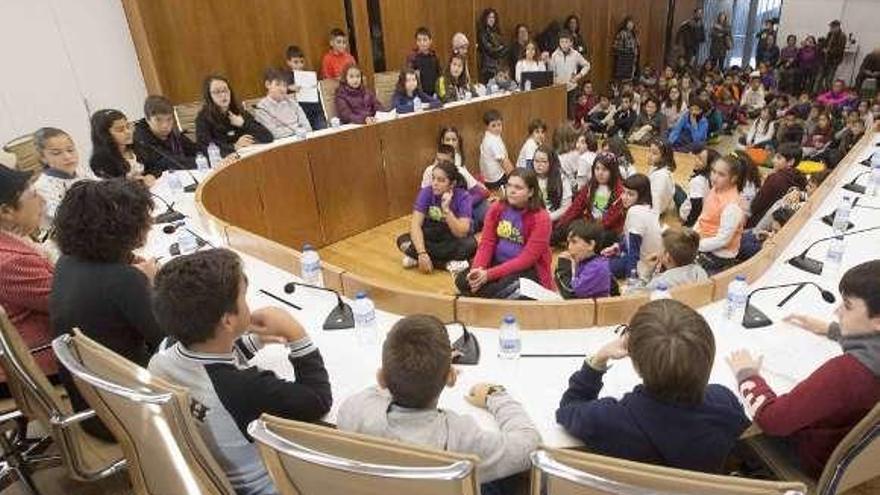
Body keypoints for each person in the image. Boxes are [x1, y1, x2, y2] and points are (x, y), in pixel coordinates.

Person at [149, 248, 332, 495]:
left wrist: (252, 340)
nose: (248, 303)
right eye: (244, 297)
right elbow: (318, 400)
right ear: (227, 321)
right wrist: (296, 335)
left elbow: (210, 365)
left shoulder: (162, 356)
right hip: (270, 486)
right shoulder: (244, 389)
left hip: (209, 477)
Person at [337, 314, 540, 491]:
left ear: (381, 378)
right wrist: (496, 395)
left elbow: (378, 389)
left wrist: (424, 368)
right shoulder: (461, 436)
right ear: (452, 378)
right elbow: (531, 444)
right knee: (505, 477)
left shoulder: (355, 409)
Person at [728, 260, 880, 476]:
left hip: (813, 460)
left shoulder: (847, 373)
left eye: (847, 306)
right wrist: (834, 330)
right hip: (853, 457)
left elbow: (773, 420)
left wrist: (747, 375)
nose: (837, 311)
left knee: (730, 417)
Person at [558, 299, 748, 471]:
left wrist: (599, 359)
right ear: (708, 356)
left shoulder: (608, 418)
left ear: (636, 364)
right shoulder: (724, 401)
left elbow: (568, 409)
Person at [51, 178, 162, 440]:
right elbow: (168, 341)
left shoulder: (65, 263)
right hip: (127, 413)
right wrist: (151, 283)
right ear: (123, 227)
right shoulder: (124, 280)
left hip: (92, 405)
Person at [0, 162, 58, 396]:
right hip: (37, 364)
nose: (42, 200)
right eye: (33, 193)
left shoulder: (11, 244)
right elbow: (68, 302)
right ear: (5, 211)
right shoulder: (10, 262)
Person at [455, 169, 553, 299]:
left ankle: (478, 297)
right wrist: (477, 272)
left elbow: (526, 260)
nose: (511, 191)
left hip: (526, 269)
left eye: (518, 187)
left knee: (501, 290)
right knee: (462, 280)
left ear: (530, 192)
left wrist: (488, 275)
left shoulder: (541, 218)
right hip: (497, 263)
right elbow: (486, 243)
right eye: (509, 185)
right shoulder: (497, 208)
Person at [398, 160, 476, 274]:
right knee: (402, 241)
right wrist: (421, 253)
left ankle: (418, 258)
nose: (434, 183)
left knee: (470, 245)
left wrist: (446, 210)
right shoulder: (426, 192)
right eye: (433, 178)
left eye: (441, 180)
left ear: (452, 184)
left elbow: (461, 232)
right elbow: (415, 224)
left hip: (451, 237)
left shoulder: (463, 197)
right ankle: (445, 264)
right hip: (432, 234)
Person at [554, 152, 625, 245]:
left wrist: (588, 231)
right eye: (597, 168)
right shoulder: (590, 187)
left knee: (603, 237)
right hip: (589, 224)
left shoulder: (620, 192)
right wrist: (562, 223)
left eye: (605, 169)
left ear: (613, 171)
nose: (600, 173)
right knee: (568, 227)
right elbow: (575, 207)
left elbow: (609, 220)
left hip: (607, 230)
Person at [196, 76, 273, 157]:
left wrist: (243, 123)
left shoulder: (238, 111)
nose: (223, 95)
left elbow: (268, 137)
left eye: (225, 90)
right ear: (209, 96)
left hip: (248, 156)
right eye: (217, 92)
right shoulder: (203, 118)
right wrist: (234, 147)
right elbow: (204, 147)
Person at [694, 154, 745, 274]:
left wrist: (695, 245)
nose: (714, 177)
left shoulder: (732, 206)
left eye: (721, 175)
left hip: (719, 254)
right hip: (703, 242)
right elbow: (703, 217)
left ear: (733, 178)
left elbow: (723, 240)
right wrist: (693, 234)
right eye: (713, 171)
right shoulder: (715, 189)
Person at [606, 174, 663, 281]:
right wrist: (619, 247)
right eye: (623, 192)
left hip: (642, 265)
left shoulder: (635, 212)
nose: (624, 197)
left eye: (630, 194)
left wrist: (631, 282)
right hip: (648, 260)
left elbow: (634, 252)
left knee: (597, 267)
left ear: (641, 196)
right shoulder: (649, 207)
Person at [132, 95, 201, 179]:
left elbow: (196, 149)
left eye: (169, 119)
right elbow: (168, 163)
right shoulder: (141, 140)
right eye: (158, 120)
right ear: (147, 119)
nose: (165, 125)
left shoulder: (173, 134)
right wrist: (201, 161)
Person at [434, 129, 490, 230]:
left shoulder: (460, 168)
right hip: (448, 208)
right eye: (447, 140)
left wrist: (471, 196)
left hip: (463, 199)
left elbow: (477, 189)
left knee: (486, 211)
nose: (451, 143)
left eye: (453, 139)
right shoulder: (430, 171)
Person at [747, 143, 806, 228]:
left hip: (762, 222)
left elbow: (755, 206)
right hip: (780, 223)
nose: (773, 160)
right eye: (775, 157)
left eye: (779, 158)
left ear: (791, 162)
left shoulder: (775, 179)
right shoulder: (799, 178)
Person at [32, 128, 82, 228]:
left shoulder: (81, 171)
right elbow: (67, 219)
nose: (67, 156)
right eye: (56, 153)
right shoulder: (42, 187)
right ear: (43, 158)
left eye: (70, 150)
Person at [89, 109, 154, 185]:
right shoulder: (100, 161)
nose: (128, 132)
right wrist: (132, 183)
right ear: (105, 135)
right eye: (120, 130)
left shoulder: (137, 146)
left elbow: (154, 166)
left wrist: (151, 176)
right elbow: (111, 188)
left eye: (128, 126)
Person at [554, 220, 615, 299]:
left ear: (591, 245)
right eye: (568, 243)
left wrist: (563, 267)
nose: (569, 247)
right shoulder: (587, 262)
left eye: (574, 242)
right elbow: (614, 286)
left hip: (591, 310)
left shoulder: (597, 267)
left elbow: (570, 292)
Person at [253, 68, 312, 139]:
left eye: (284, 85)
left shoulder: (292, 102)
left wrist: (286, 129)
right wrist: (297, 128)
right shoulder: (262, 108)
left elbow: (308, 127)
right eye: (278, 84)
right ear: (268, 84)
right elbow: (274, 134)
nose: (282, 89)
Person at [643, 228, 708, 290]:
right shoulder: (700, 272)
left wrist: (647, 272)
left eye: (660, 247)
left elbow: (637, 296)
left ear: (667, 256)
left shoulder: (659, 283)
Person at [284, 45, 327, 130]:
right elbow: (280, 94)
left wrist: (315, 88)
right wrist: (289, 88)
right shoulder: (286, 78)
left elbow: (318, 97)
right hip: (299, 114)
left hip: (315, 111)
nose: (299, 65)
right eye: (295, 62)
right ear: (288, 62)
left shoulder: (309, 75)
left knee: (323, 128)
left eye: (301, 62)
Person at [548, 30, 591, 114]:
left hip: (572, 88)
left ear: (571, 42)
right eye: (562, 42)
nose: (564, 44)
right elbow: (551, 72)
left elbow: (587, 65)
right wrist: (555, 80)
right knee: (559, 112)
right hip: (558, 88)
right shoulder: (554, 55)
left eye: (566, 42)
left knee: (571, 112)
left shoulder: (575, 54)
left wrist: (579, 75)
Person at [680, 145, 719, 228]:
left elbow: (696, 207)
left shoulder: (698, 181)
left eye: (700, 159)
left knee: (676, 190)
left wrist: (687, 224)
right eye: (697, 157)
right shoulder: (713, 179)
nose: (696, 160)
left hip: (688, 216)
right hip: (704, 214)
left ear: (708, 165)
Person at [532, 145, 572, 223]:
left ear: (551, 162)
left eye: (543, 161)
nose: (539, 165)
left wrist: (548, 218)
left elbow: (567, 206)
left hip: (556, 221)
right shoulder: (530, 178)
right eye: (536, 161)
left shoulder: (561, 178)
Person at [479, 109, 513, 190]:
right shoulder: (493, 141)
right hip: (496, 180)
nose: (497, 128)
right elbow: (504, 163)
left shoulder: (490, 135)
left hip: (488, 178)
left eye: (499, 124)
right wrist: (515, 177)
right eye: (493, 125)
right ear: (487, 127)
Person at [406, 27, 442, 98]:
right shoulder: (413, 58)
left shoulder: (435, 57)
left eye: (425, 40)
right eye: (419, 40)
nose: (422, 43)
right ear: (416, 42)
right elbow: (409, 78)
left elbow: (440, 76)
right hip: (419, 95)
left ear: (430, 41)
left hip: (435, 94)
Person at [476, 8, 508, 84]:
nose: (492, 19)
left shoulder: (497, 32)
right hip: (488, 68)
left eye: (493, 17)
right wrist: (500, 48)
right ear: (485, 18)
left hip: (499, 67)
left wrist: (500, 49)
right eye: (489, 17)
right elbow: (490, 50)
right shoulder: (482, 33)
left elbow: (505, 48)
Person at [646, 138, 676, 216]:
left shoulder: (661, 176)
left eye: (654, 153)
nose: (649, 155)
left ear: (664, 157)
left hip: (655, 211)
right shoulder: (656, 167)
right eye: (649, 150)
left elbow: (656, 202)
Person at [818, 20, 847, 92]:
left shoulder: (842, 36)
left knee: (829, 79)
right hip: (825, 59)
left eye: (832, 27)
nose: (831, 29)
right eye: (831, 27)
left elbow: (839, 50)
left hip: (834, 61)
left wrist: (828, 51)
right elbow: (826, 43)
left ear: (837, 27)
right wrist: (822, 45)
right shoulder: (830, 34)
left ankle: (829, 94)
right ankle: (816, 94)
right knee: (819, 78)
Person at [612, 17, 639, 82]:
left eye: (632, 24)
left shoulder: (634, 34)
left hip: (632, 60)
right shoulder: (622, 33)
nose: (631, 25)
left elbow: (637, 46)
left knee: (631, 79)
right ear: (626, 24)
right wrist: (627, 51)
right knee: (623, 80)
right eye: (629, 23)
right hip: (624, 60)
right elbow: (616, 47)